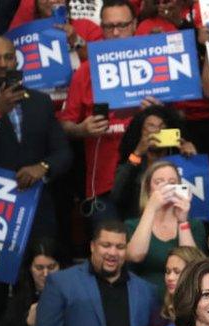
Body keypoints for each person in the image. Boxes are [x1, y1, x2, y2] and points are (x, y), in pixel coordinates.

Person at [58, 0, 139, 222]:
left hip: (150, 180)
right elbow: (65, 124)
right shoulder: (85, 71)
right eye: (108, 26)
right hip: (103, 183)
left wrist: (160, 113)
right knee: (107, 252)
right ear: (100, 28)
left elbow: (180, 118)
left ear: (135, 24)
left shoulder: (157, 61)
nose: (115, 32)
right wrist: (81, 129)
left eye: (122, 25)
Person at [0, 36, 73, 242]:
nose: (3, 64)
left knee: (43, 268)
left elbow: (63, 152)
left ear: (16, 61)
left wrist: (43, 167)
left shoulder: (40, 102)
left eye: (8, 57)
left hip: (36, 205)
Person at [126, 160, 207, 295]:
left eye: (172, 182)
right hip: (144, 299)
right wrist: (151, 208)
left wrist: (182, 222)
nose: (167, 188)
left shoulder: (194, 225)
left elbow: (193, 266)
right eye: (159, 182)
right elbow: (135, 255)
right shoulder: (132, 225)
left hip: (183, 299)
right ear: (148, 189)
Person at [112, 105, 197, 219]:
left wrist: (194, 160)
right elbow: (117, 195)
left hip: (176, 221)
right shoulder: (135, 161)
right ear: (140, 132)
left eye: (162, 127)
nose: (157, 131)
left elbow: (202, 198)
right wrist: (137, 153)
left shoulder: (180, 160)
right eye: (151, 126)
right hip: (140, 223)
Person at [0, 239, 63, 326]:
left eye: (52, 267)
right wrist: (28, 325)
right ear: (30, 269)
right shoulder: (17, 302)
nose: (46, 274)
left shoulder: (75, 296)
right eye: (39, 268)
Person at [157, 246, 206, 326]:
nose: (170, 278)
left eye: (177, 272)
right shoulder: (162, 314)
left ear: (194, 273)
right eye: (168, 272)